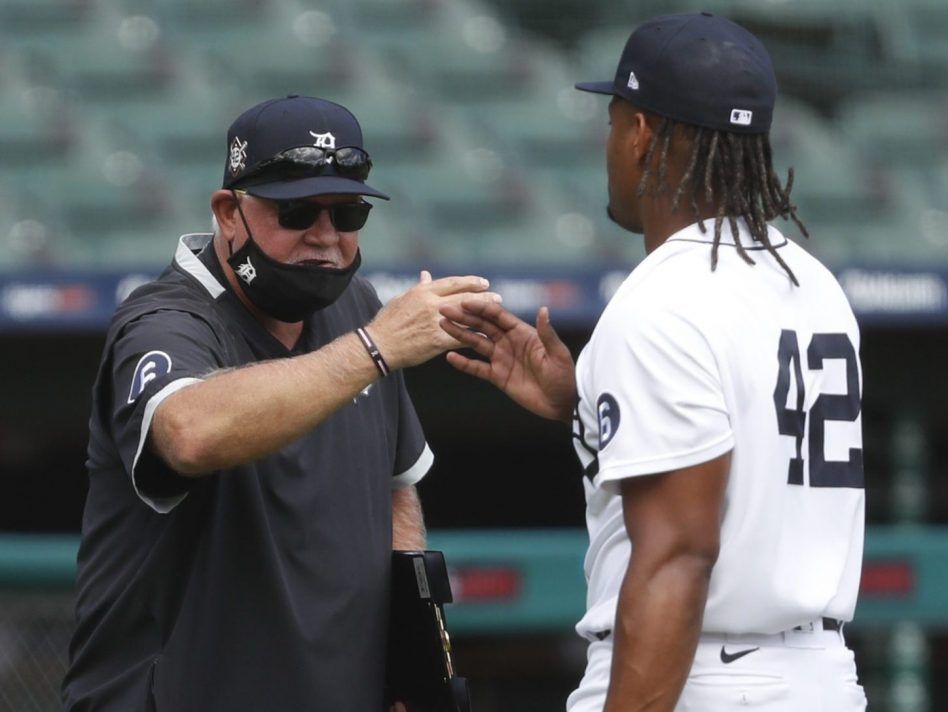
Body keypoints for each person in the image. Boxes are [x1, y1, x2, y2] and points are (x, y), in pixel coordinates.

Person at [441, 13, 867, 711]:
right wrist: (583, 409)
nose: (609, 142)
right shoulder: (813, 283)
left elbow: (678, 559)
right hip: (820, 676)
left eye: (614, 120)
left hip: (699, 677)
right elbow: (744, 457)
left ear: (640, 133)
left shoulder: (661, 300)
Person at [62, 95, 498, 711]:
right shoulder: (165, 319)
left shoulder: (357, 310)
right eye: (295, 212)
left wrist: (408, 656)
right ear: (229, 212)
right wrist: (375, 349)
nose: (325, 237)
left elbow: (395, 488)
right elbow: (189, 433)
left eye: (347, 213)